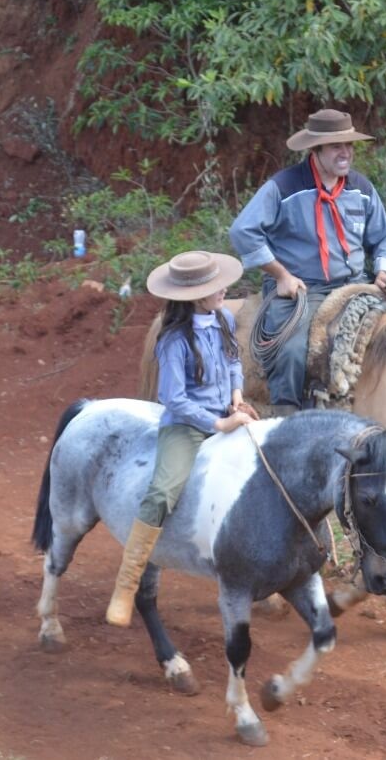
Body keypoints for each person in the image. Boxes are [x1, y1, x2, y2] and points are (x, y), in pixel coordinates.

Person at [105, 250, 256, 627]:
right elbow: (173, 399)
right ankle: (126, 584)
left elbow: (234, 361)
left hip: (227, 413)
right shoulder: (174, 341)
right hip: (186, 427)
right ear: (194, 296)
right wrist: (217, 424)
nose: (224, 290)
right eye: (214, 287)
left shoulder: (222, 318)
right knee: (163, 491)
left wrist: (237, 397)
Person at [229, 108, 386, 413]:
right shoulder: (284, 188)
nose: (345, 152)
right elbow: (243, 231)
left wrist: (385, 269)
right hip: (300, 289)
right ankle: (287, 421)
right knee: (293, 350)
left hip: (353, 286)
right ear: (316, 149)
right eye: (337, 146)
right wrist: (280, 274)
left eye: (349, 145)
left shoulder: (361, 189)